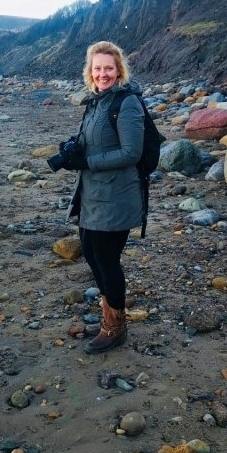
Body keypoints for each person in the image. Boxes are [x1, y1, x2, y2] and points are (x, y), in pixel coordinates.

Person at [59, 40, 145, 354]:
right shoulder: (96, 101)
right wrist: (73, 148)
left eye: (109, 68)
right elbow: (94, 141)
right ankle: (111, 316)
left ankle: (116, 328)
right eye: (97, 68)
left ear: (118, 69)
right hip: (93, 193)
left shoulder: (127, 103)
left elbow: (132, 152)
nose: (103, 74)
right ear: (90, 71)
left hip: (117, 196)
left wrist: (89, 162)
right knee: (93, 255)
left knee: (107, 261)